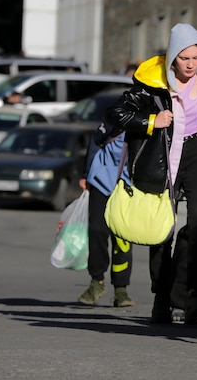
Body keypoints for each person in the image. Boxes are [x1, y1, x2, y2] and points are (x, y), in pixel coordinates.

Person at [106, 23, 197, 326]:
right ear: (171, 59)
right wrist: (152, 120)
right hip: (164, 158)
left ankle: (195, 293)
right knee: (162, 231)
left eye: (196, 57)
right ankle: (161, 297)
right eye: (184, 59)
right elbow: (115, 114)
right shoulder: (152, 84)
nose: (191, 65)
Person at [77, 127, 133, 308]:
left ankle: (121, 289)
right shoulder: (114, 115)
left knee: (122, 239)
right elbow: (95, 141)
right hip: (101, 182)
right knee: (96, 231)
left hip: (128, 186)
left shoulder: (152, 118)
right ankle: (96, 282)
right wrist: (86, 174)